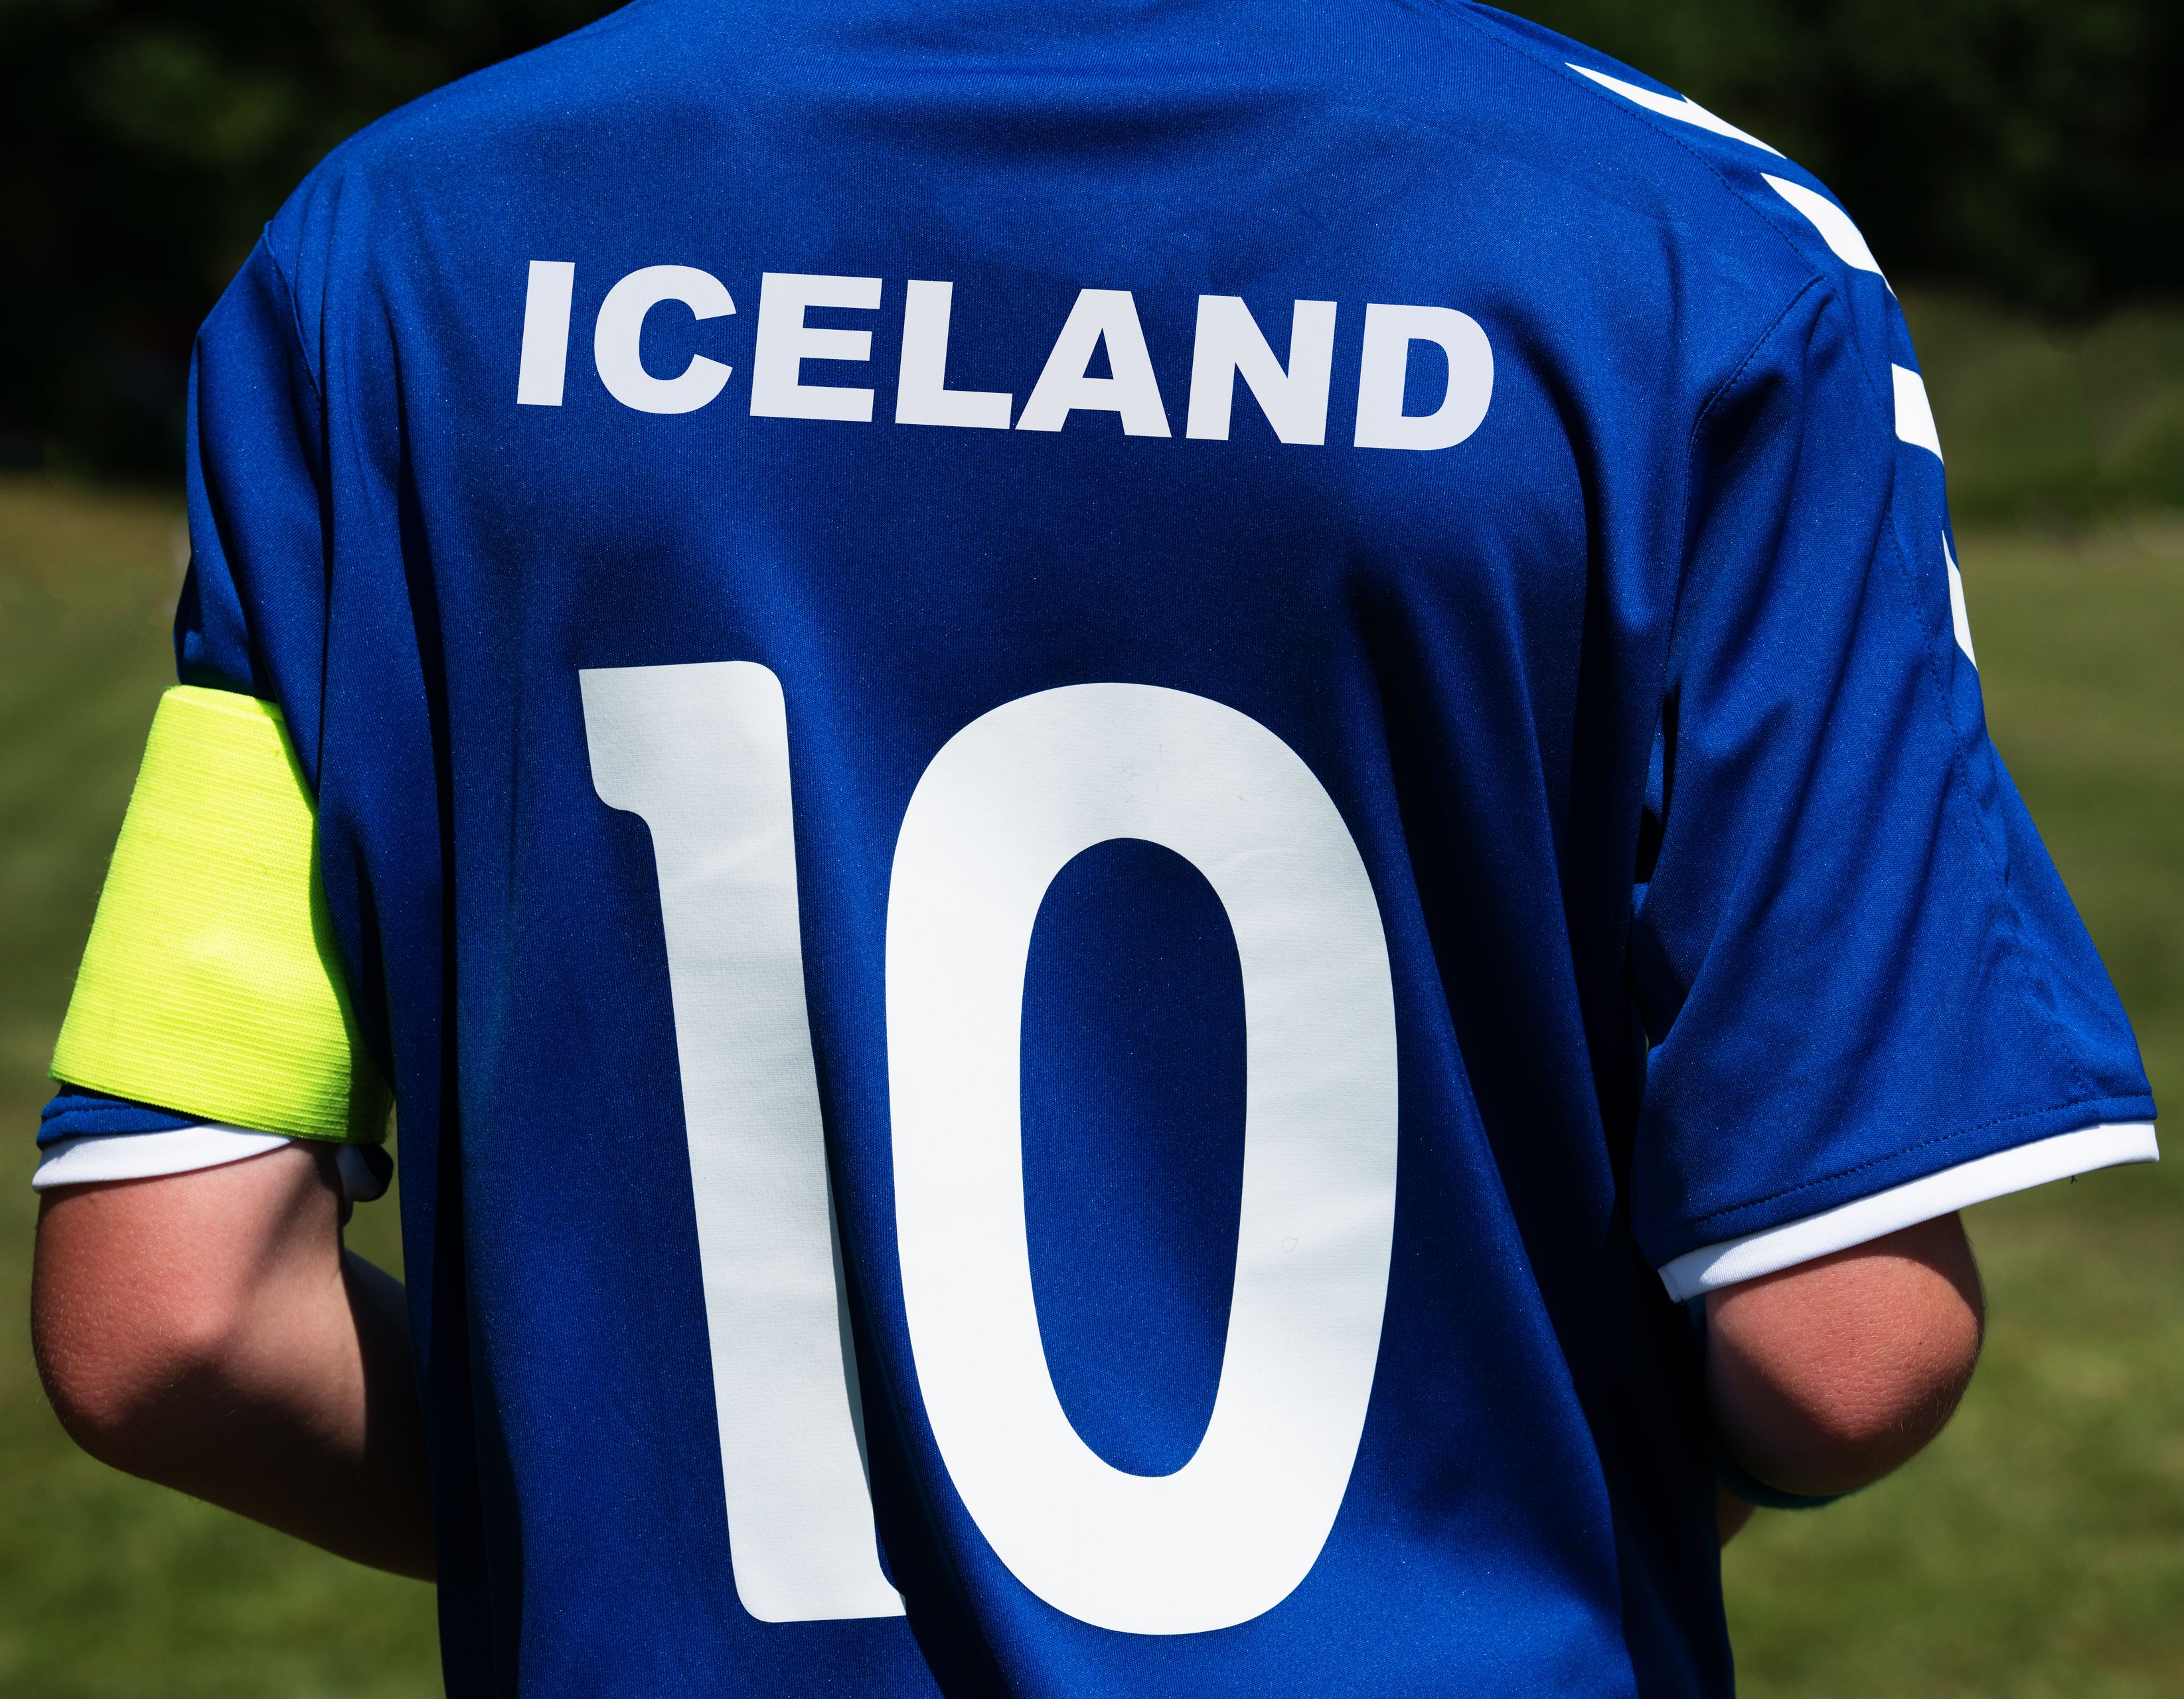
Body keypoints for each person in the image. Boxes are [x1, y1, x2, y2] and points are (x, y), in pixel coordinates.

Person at [27, 1, 2157, 1693]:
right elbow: (1841, 1343)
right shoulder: (1682, 260)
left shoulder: (397, 240)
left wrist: (643, 1520)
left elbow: (171, 1320)